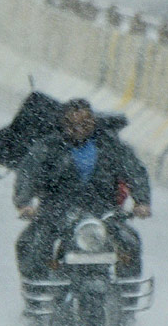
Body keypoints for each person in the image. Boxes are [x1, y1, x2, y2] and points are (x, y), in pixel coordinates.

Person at [13, 98, 150, 279]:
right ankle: (37, 290)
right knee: (31, 244)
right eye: (72, 125)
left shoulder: (111, 145)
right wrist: (25, 204)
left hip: (104, 212)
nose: (78, 129)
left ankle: (127, 289)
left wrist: (141, 202)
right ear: (63, 124)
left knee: (130, 242)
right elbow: (28, 174)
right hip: (56, 213)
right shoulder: (47, 147)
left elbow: (135, 171)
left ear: (93, 121)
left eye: (85, 124)